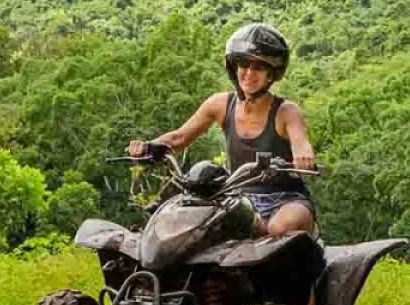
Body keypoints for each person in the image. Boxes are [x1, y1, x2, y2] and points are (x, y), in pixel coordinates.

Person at [127, 22, 318, 236]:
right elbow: (179, 138)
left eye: (258, 67)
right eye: (244, 65)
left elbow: (301, 143)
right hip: (237, 199)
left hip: (285, 199)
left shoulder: (286, 111)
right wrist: (146, 147)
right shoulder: (220, 104)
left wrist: (304, 156)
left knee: (279, 229)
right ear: (233, 67)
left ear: (271, 74)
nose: (248, 73)